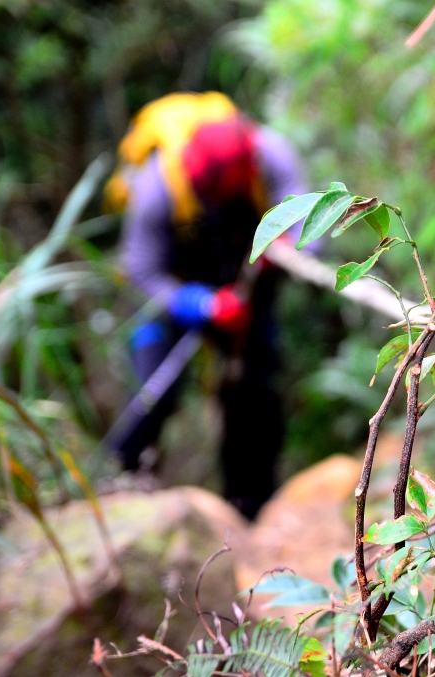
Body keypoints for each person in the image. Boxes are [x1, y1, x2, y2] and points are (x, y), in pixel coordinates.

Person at [106, 92, 308, 518]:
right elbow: (140, 271)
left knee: (253, 390)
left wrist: (288, 245)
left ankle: (251, 504)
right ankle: (121, 487)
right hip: (178, 289)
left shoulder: (269, 153)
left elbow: (312, 216)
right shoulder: (157, 188)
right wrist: (200, 304)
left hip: (250, 283)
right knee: (153, 389)